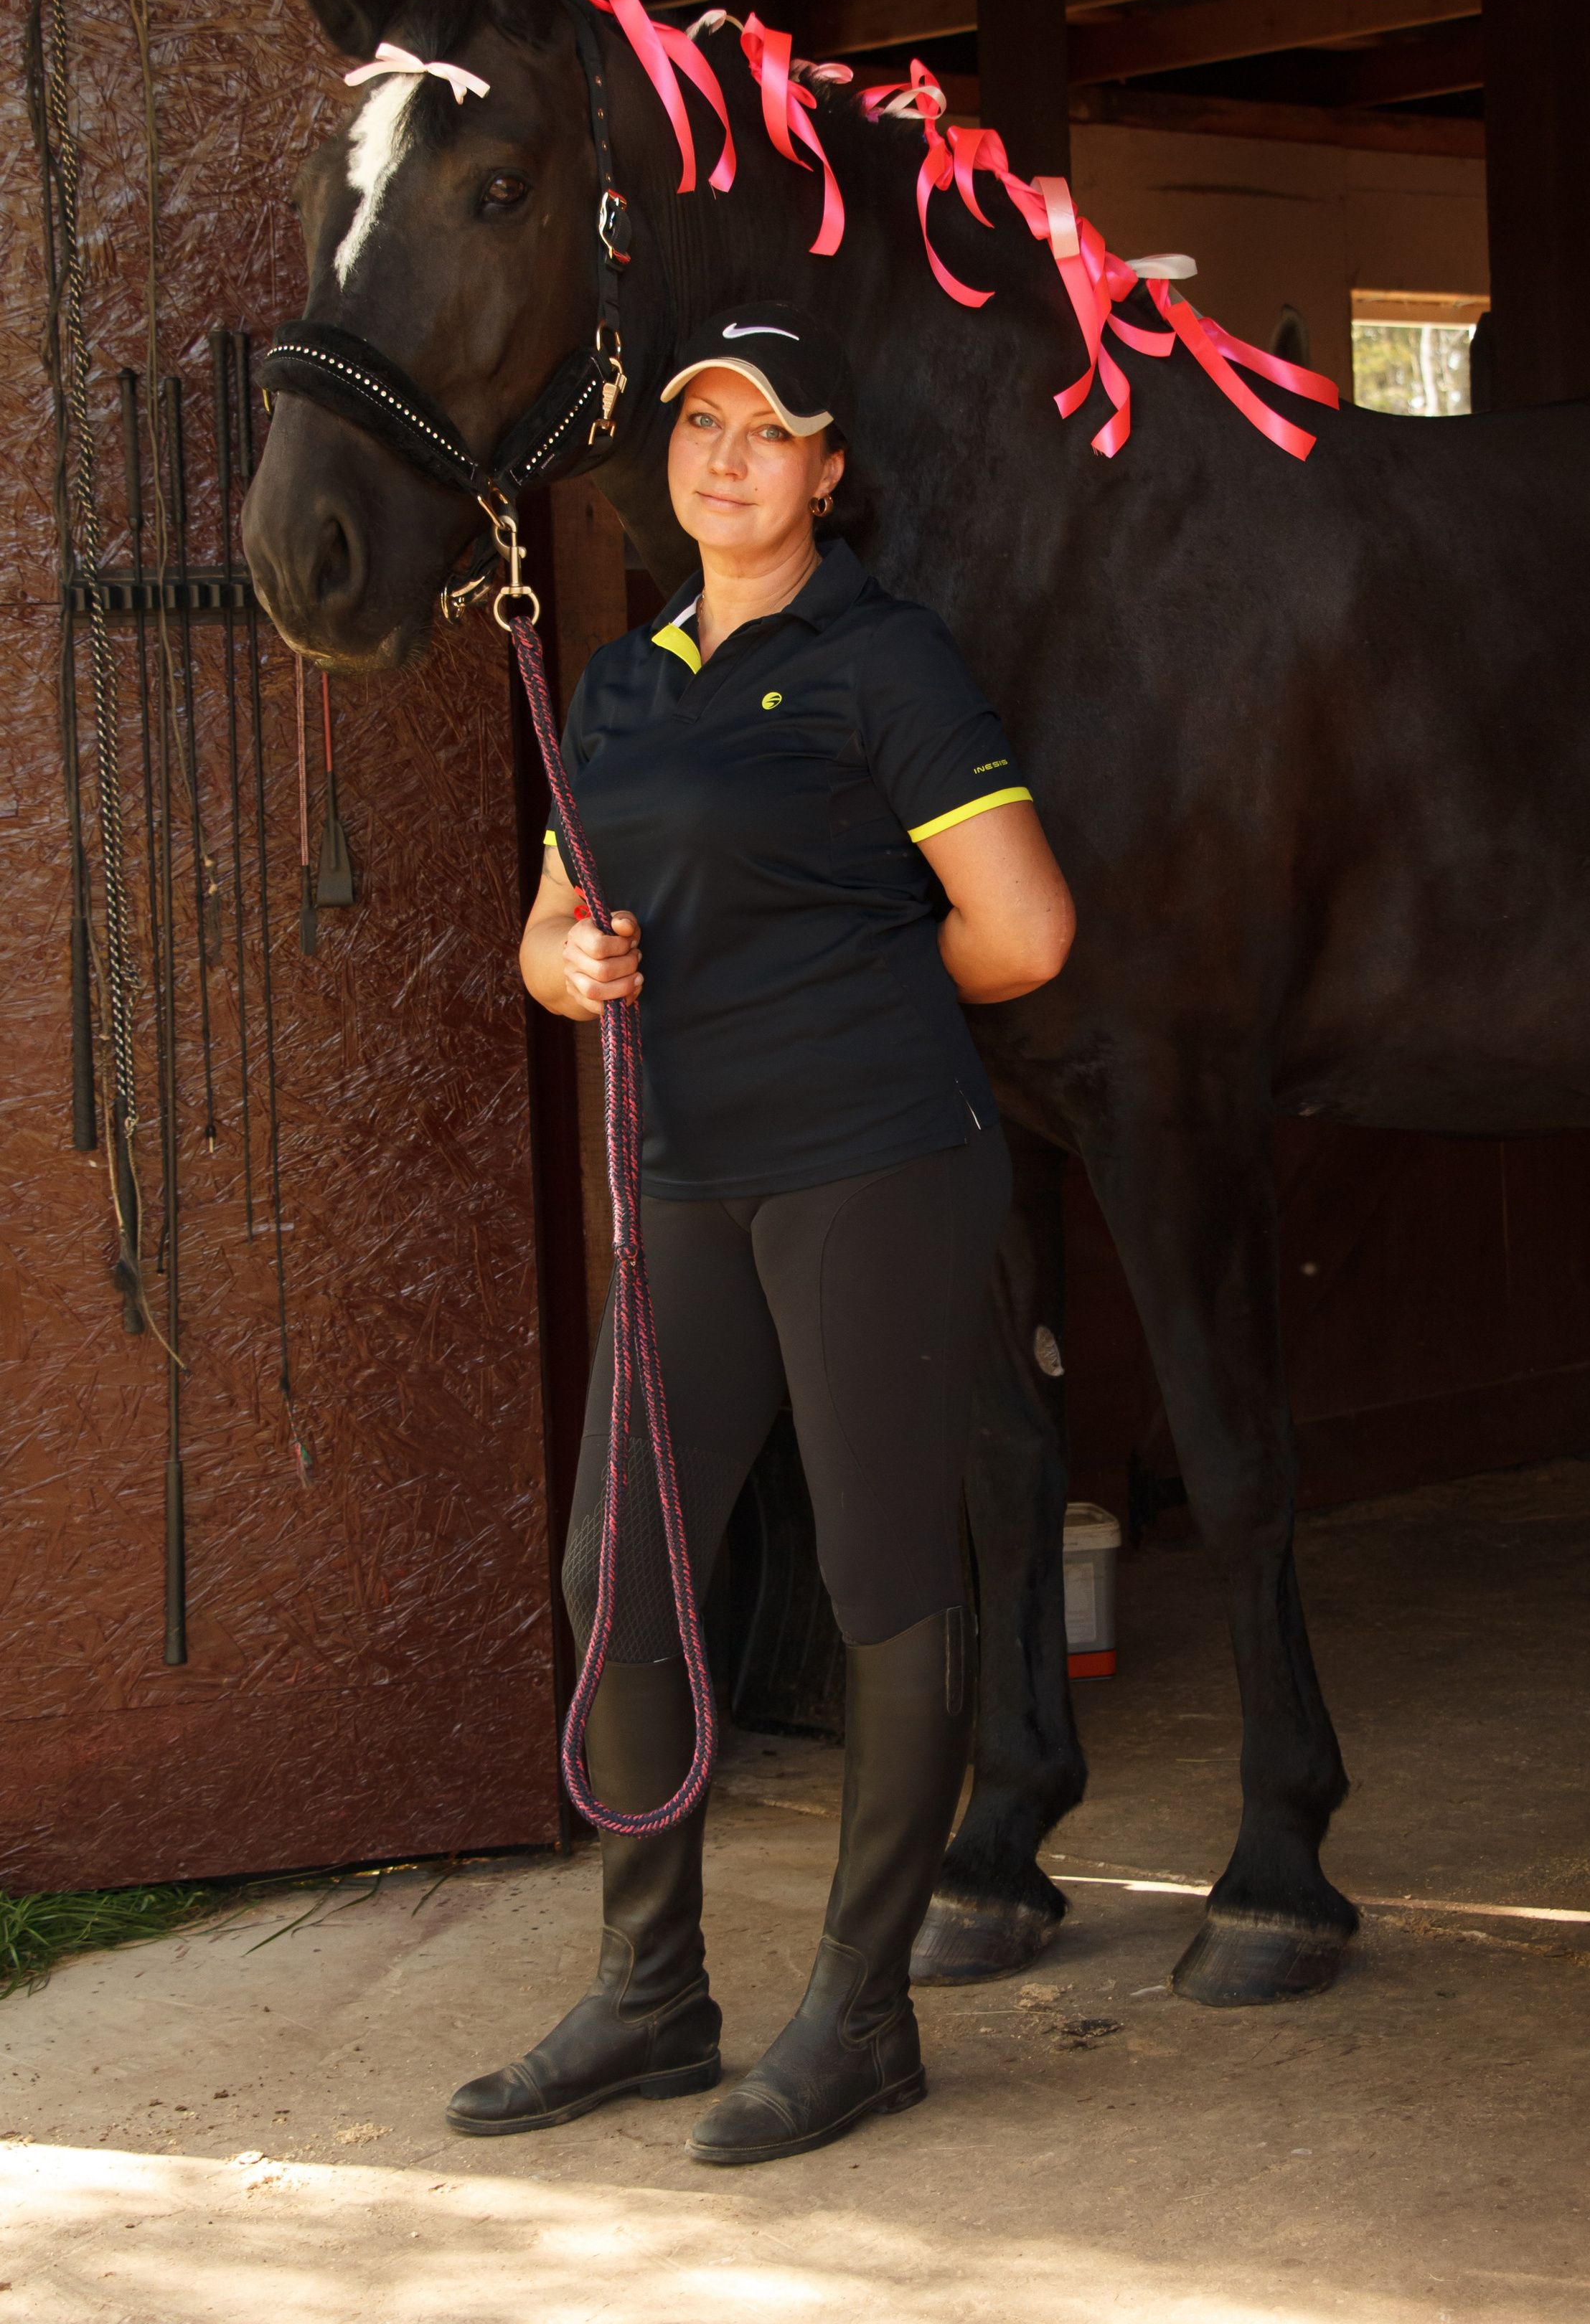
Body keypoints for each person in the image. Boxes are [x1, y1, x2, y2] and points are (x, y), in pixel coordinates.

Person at [446, 301, 1075, 2167]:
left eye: (767, 429)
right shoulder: (627, 684)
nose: (724, 458)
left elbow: (1023, 933)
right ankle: (654, 1999)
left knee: (889, 1580)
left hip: (877, 1162)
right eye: (700, 424)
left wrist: (855, 989)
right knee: (615, 1570)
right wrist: (576, 961)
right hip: (692, 1177)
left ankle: (862, 2019)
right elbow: (549, 936)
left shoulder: (886, 662)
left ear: (828, 473)